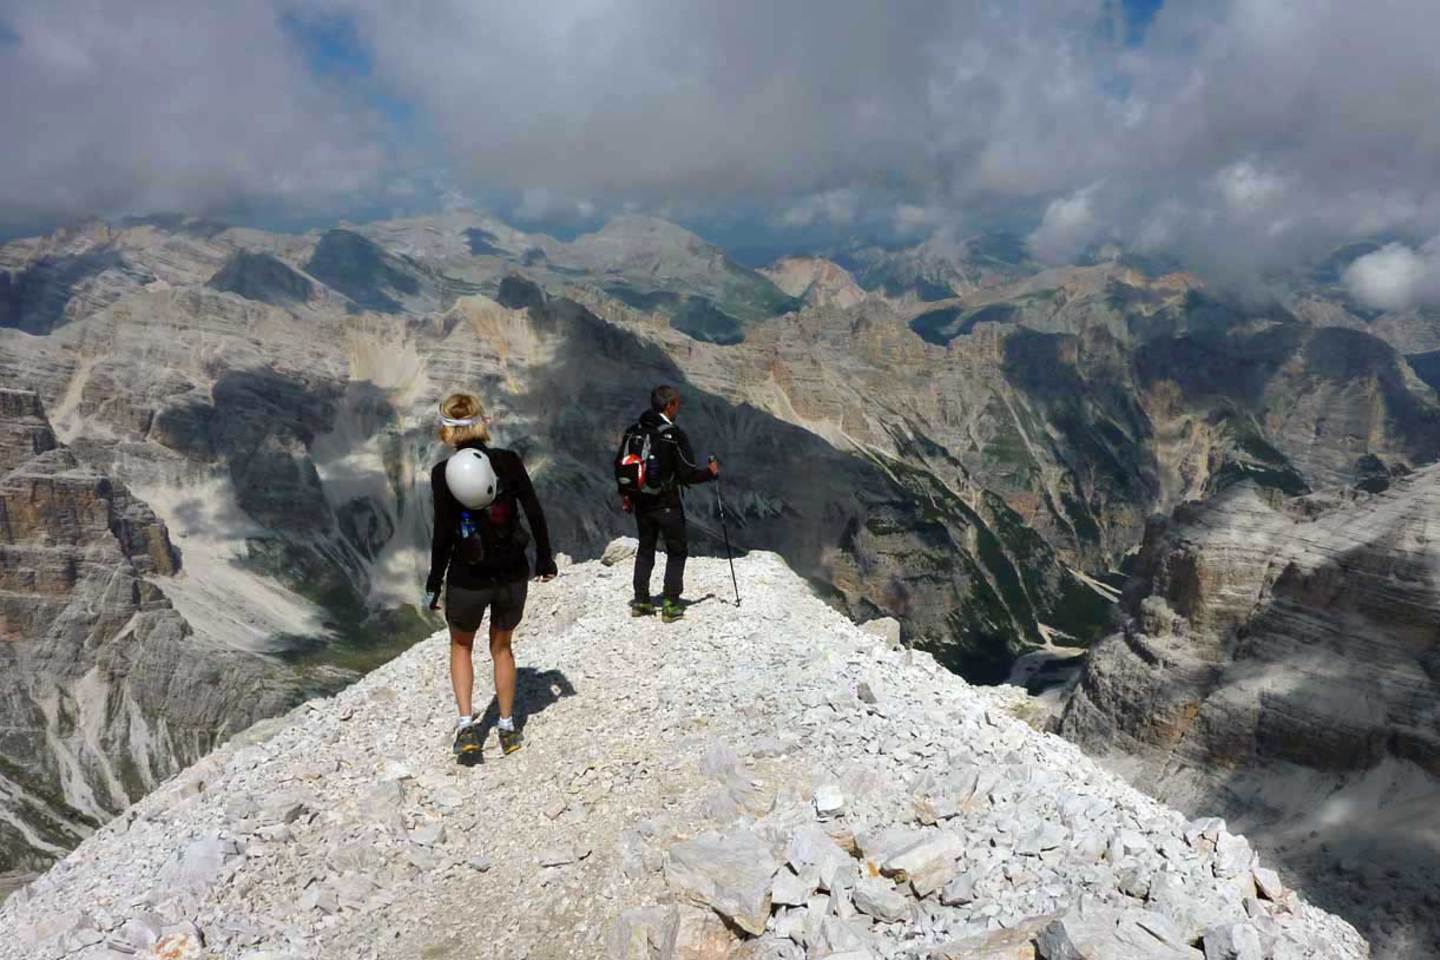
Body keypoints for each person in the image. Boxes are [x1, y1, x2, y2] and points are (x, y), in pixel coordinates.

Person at [426, 392, 556, 760]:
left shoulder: (442, 474)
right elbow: (534, 511)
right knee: (502, 648)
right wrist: (544, 558)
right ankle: (507, 726)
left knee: (461, 646)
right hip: (512, 573)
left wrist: (434, 583)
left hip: (468, 577)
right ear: (483, 422)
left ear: (446, 430)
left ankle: (468, 726)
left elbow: (443, 535)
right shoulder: (509, 461)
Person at [621, 384, 718, 623]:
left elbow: (621, 465)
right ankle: (671, 603)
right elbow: (686, 473)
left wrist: (626, 494)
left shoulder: (634, 431)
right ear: (669, 405)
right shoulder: (673, 435)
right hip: (667, 503)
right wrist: (710, 472)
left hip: (641, 502)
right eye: (677, 403)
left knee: (646, 549)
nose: (679, 407)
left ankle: (641, 600)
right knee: (677, 550)